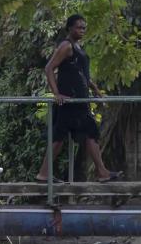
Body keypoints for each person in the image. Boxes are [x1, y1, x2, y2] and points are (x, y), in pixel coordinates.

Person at [36, 14, 122, 183]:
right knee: (86, 133)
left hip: (78, 101)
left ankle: (44, 173)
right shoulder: (66, 46)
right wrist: (56, 94)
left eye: (84, 28)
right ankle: (101, 172)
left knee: (66, 137)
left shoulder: (77, 47)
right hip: (70, 101)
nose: (82, 30)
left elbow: (82, 75)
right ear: (69, 28)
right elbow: (49, 68)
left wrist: (96, 90)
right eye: (78, 27)